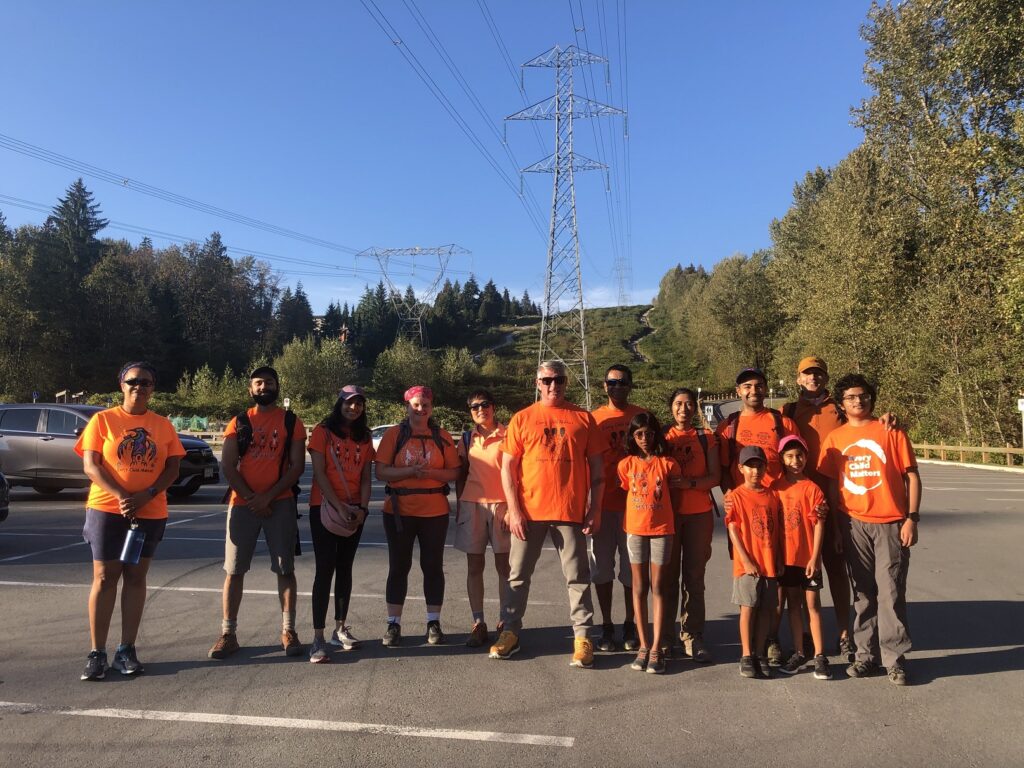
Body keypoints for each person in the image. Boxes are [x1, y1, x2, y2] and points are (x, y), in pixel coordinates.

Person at [489, 360, 606, 668]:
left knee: (578, 578)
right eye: (548, 380)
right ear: (537, 382)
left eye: (560, 380)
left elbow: (597, 470)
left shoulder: (583, 418)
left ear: (567, 382)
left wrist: (595, 509)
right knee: (517, 576)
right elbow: (507, 469)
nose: (554, 385)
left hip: (569, 511)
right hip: (529, 513)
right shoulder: (523, 419)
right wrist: (513, 511)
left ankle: (583, 639)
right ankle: (510, 632)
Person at [76, 362, 185, 680]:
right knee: (104, 578)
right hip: (108, 510)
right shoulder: (103, 420)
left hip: (149, 512)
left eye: (146, 382)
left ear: (153, 388)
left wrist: (146, 494)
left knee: (136, 577)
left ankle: (127, 649)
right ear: (121, 384)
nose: (139, 386)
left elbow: (172, 469)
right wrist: (121, 495)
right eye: (133, 381)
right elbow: (91, 465)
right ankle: (97, 653)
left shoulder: (163, 425)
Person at [818, 374, 921, 686]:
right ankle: (865, 656)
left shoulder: (890, 430)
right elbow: (832, 487)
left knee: (890, 592)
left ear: (871, 398)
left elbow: (912, 476)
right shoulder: (835, 438)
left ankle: (894, 659)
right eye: (850, 397)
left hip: (890, 522)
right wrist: (836, 529)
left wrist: (911, 518)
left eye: (862, 395)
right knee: (863, 594)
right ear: (841, 403)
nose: (858, 401)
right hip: (853, 524)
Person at [208, 366, 307, 660]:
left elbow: (297, 466)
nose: (264, 387)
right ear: (250, 388)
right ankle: (228, 633)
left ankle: (288, 631)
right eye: (259, 383)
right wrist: (253, 499)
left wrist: (268, 497)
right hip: (243, 506)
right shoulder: (238, 422)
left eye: (269, 382)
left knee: (285, 569)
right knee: (234, 570)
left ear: (278, 386)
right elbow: (228, 465)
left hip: (281, 503)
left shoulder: (291, 421)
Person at [717, 366, 798, 665]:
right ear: (738, 391)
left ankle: (771, 638)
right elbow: (722, 469)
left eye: (759, 385)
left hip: (778, 508)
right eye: (747, 386)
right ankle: (750, 644)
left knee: (775, 576)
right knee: (746, 573)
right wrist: (729, 495)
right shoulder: (729, 426)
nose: (754, 391)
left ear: (766, 389)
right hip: (743, 512)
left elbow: (796, 460)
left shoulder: (782, 421)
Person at [374, 385, 461, 647]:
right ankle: (393, 625)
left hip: (435, 512)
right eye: (416, 405)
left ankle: (433, 622)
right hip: (399, 511)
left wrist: (430, 474)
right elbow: (381, 472)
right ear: (407, 407)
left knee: (432, 567)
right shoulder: (394, 435)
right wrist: (410, 472)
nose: (420, 409)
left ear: (431, 408)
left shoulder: (442, 436)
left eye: (425, 405)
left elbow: (454, 472)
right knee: (399, 567)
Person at [781, 356, 853, 659]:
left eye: (818, 373)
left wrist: (890, 420)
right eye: (807, 374)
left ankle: (845, 633)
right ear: (798, 379)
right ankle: (808, 637)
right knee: (800, 574)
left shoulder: (840, 408)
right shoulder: (788, 412)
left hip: (835, 500)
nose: (813, 378)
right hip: (798, 503)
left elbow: (864, 425)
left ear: (825, 377)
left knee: (836, 569)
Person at [306, 385, 374, 663]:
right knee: (325, 569)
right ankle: (318, 637)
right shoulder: (323, 432)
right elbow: (319, 473)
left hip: (354, 510)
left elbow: (367, 477)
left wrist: (364, 509)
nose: (353, 408)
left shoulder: (365, 437)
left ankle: (339, 628)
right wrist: (339, 505)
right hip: (324, 507)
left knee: (345, 568)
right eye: (349, 403)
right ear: (339, 404)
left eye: (359, 404)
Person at [618, 413, 681, 674]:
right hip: (634, 530)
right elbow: (627, 490)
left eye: (649, 433)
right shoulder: (625, 465)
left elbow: (673, 495)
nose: (645, 439)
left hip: (661, 530)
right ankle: (642, 645)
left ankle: (657, 646)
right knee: (639, 586)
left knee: (659, 587)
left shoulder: (667, 464)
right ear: (632, 437)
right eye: (639, 434)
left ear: (656, 435)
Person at [663, 387, 720, 663]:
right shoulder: (662, 437)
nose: (683, 409)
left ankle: (692, 635)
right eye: (677, 404)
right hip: (668, 518)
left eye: (688, 404)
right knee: (666, 578)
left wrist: (689, 484)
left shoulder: (705, 437)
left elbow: (715, 477)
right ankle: (664, 636)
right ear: (670, 408)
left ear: (695, 408)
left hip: (699, 515)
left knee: (694, 578)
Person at [590, 364, 645, 652]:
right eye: (611, 382)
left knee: (631, 571)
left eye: (622, 382)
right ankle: (607, 625)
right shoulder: (594, 419)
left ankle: (630, 623)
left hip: (636, 508)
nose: (617, 387)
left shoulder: (641, 416)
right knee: (602, 570)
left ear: (630, 385)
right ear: (604, 386)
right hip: (602, 506)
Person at [455, 388, 512, 648]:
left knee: (505, 568)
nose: (481, 410)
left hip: (503, 505)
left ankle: (506, 621)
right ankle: (478, 622)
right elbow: (460, 474)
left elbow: (518, 475)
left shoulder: (510, 434)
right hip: (473, 506)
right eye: (475, 407)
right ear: (470, 412)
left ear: (494, 406)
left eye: (485, 404)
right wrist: (459, 506)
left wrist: (515, 508)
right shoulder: (466, 439)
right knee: (474, 567)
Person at [771, 435, 831, 680]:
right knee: (793, 606)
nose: (795, 461)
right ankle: (799, 650)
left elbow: (818, 524)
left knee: (813, 606)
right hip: (786, 558)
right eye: (789, 456)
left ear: (806, 456)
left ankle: (819, 654)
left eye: (799, 455)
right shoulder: (776, 488)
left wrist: (815, 557)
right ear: (782, 459)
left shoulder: (813, 488)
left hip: (807, 558)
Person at [724, 446, 783, 679]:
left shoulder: (771, 495)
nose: (755, 471)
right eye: (750, 466)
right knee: (748, 608)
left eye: (759, 466)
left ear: (765, 468)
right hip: (747, 564)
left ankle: (760, 653)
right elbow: (733, 529)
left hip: (769, 561)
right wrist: (746, 560)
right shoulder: (735, 496)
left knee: (766, 610)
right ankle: (746, 654)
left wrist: (777, 557)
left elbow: (776, 530)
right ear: (741, 468)